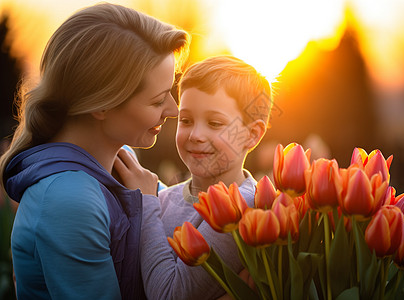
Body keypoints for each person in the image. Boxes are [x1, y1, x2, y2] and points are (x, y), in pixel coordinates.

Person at [0, 3, 189, 299]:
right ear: (102, 103)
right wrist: (148, 201)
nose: (174, 110)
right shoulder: (68, 198)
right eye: (157, 100)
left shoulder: (122, 162)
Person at [139, 55, 273, 299]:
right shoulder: (164, 198)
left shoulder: (246, 208)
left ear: (252, 135)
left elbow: (169, 295)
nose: (196, 135)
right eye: (186, 120)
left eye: (214, 123)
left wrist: (147, 204)